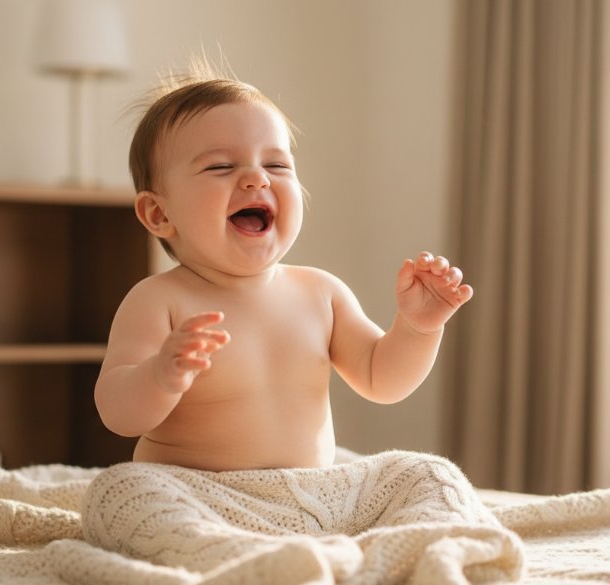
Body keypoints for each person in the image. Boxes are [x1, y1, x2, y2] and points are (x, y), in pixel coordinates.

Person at [94, 66, 473, 472]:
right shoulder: (159, 301)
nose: (256, 178)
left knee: (425, 474)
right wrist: (159, 376)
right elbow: (118, 415)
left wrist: (418, 328)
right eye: (221, 167)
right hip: (196, 492)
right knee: (126, 497)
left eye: (276, 166)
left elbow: (383, 381)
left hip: (304, 492)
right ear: (158, 212)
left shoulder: (321, 293)